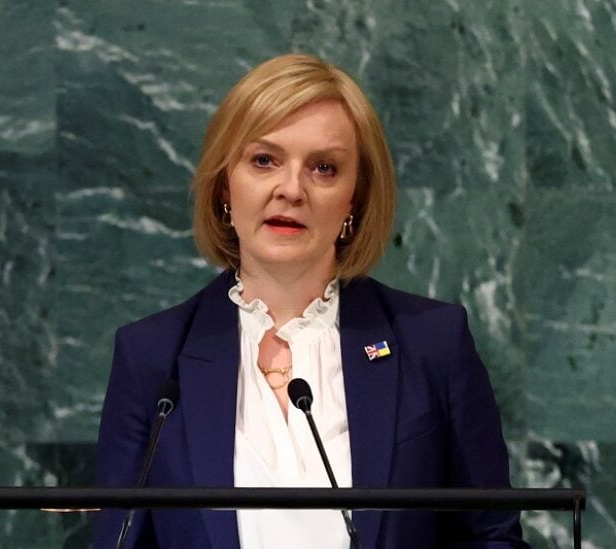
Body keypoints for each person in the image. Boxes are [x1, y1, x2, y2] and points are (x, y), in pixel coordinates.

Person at [94, 53, 528, 548]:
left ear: (354, 200)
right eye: (264, 160)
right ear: (224, 188)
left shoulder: (432, 344)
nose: (291, 189)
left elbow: (493, 538)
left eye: (324, 168)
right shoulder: (152, 357)